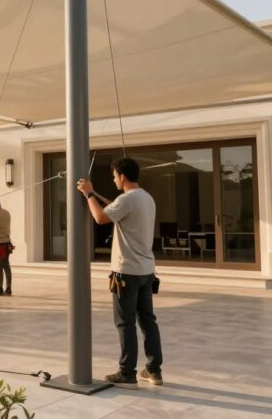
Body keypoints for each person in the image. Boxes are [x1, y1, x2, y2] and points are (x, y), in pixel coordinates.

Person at [77, 158, 163, 389]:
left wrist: (87, 195)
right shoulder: (146, 197)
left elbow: (100, 217)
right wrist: (95, 193)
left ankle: (127, 372)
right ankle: (154, 370)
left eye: (114, 176)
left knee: (125, 323)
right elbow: (114, 208)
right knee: (148, 321)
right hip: (146, 271)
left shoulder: (127, 199)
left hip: (127, 271)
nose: (113, 179)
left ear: (122, 176)